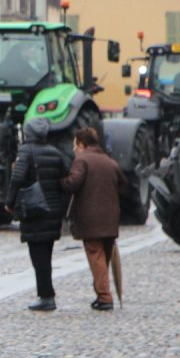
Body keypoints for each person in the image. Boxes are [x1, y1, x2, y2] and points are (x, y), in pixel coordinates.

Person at [4, 117, 70, 311]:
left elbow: (17, 177)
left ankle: (46, 296)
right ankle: (46, 294)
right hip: (52, 210)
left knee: (38, 257)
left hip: (34, 210)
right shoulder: (56, 153)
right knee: (46, 255)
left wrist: (9, 202)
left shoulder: (26, 151)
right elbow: (64, 181)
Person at [60, 126, 126, 311]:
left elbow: (73, 183)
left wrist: (61, 181)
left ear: (81, 144)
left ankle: (105, 297)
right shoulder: (109, 161)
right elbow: (122, 183)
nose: (73, 149)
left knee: (95, 254)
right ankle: (101, 293)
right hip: (111, 217)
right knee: (103, 255)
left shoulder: (82, 160)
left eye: (75, 145)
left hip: (91, 217)